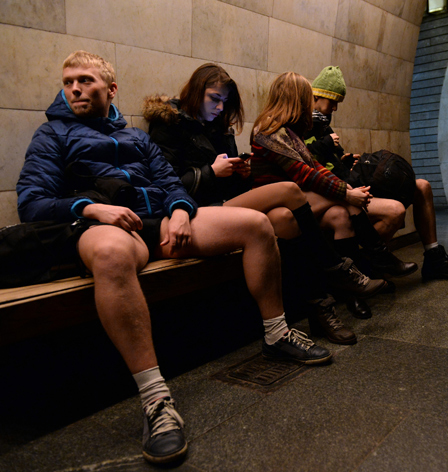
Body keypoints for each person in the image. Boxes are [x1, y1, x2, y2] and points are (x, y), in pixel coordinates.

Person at [15, 51, 332, 465]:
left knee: (256, 225)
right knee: (111, 252)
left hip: (158, 223)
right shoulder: (52, 135)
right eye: (69, 80)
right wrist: (91, 209)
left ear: (110, 89)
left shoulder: (135, 138)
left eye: (86, 80)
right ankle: (156, 400)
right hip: (102, 227)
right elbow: (32, 203)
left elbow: (169, 183)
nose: (75, 88)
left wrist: (180, 209)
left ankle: (276, 334)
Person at [143, 63, 387, 344]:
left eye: (225, 101)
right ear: (196, 92)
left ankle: (321, 309)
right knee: (290, 191)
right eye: (215, 98)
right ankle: (339, 270)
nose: (221, 108)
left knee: (284, 217)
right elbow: (167, 184)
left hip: (225, 203)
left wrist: (240, 173)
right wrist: (211, 172)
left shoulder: (219, 127)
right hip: (195, 212)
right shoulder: (168, 125)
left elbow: (299, 170)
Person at [304, 65, 448, 282]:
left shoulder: (324, 127)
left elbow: (330, 163)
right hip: (335, 193)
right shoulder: (300, 127)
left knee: (422, 186)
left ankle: (434, 257)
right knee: (395, 211)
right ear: (317, 97)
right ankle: (366, 266)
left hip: (348, 181)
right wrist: (328, 147)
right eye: (333, 102)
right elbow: (306, 164)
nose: (335, 109)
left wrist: (345, 160)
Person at [250, 72, 417, 287]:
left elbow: (313, 165)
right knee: (346, 202)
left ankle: (355, 283)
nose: (309, 107)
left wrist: (344, 186)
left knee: (340, 214)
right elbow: (304, 173)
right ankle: (378, 260)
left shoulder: (288, 132)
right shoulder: (269, 130)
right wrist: (347, 193)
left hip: (294, 196)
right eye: (306, 101)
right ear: (295, 101)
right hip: (277, 202)